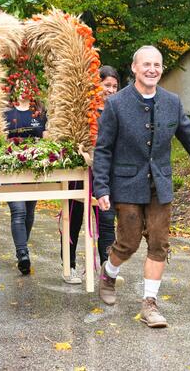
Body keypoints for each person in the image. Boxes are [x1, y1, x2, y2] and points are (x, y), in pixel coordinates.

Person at [93, 45, 190, 328]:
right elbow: (103, 149)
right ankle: (109, 272)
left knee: (159, 243)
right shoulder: (116, 104)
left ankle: (149, 304)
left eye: (157, 64)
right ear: (134, 68)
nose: (152, 69)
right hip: (126, 183)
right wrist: (100, 188)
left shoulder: (172, 102)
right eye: (147, 64)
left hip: (159, 184)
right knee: (127, 242)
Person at [61, 66, 121, 284]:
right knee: (74, 219)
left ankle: (108, 267)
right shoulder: (85, 110)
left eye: (115, 86)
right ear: (98, 85)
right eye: (107, 85)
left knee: (106, 219)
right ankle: (69, 266)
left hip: (107, 174)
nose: (111, 90)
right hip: (82, 172)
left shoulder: (118, 111)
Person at [4, 82, 46, 275]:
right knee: (18, 211)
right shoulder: (6, 112)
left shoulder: (39, 111)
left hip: (33, 169)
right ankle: (22, 253)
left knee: (29, 212)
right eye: (19, 86)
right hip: (11, 168)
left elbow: (46, 137)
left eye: (27, 86)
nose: (23, 91)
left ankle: (22, 247)